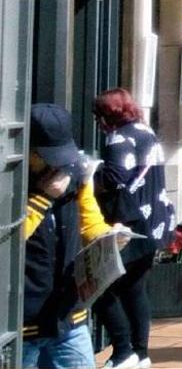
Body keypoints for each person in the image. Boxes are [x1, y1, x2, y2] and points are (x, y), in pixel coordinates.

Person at [23, 103, 119, 369]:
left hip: (68, 314)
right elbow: (8, 240)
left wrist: (109, 238)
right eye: (47, 157)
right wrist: (42, 199)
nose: (57, 165)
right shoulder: (13, 180)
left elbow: (90, 223)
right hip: (24, 319)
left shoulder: (75, 175)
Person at [91, 89, 177, 369]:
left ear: (108, 115)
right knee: (136, 289)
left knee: (102, 289)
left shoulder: (119, 138)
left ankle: (123, 351)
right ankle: (140, 354)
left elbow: (116, 178)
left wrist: (89, 172)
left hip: (129, 223)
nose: (97, 122)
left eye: (98, 116)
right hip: (154, 222)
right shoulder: (145, 131)